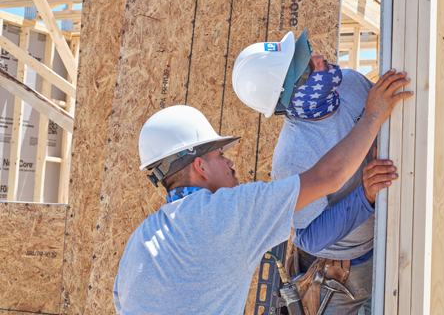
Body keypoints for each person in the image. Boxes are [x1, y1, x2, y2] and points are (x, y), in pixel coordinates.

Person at [112, 30, 412, 314]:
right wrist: (373, 115)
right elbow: (327, 178)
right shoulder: (228, 213)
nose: (231, 164)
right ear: (199, 166)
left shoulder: (140, 238)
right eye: (220, 155)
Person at [232, 31, 410, 315]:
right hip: (347, 273)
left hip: (392, 235)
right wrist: (364, 195)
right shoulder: (293, 157)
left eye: (307, 52)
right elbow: (308, 238)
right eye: (305, 65)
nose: (318, 58)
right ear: (289, 94)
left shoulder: (349, 83)